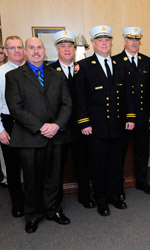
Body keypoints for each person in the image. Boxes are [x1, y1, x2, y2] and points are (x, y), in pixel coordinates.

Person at [5, 37, 72, 233]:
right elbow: (15, 108)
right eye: (31, 48)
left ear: (45, 50)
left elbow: (67, 104)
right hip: (29, 137)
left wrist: (57, 125)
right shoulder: (14, 76)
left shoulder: (57, 75)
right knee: (32, 179)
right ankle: (33, 215)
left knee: (54, 177)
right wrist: (42, 126)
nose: (36, 51)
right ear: (26, 51)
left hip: (56, 136)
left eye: (39, 47)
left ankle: (53, 210)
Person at [74, 25, 135, 216]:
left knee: (116, 164)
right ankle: (101, 200)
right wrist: (84, 122)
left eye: (107, 40)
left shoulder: (121, 65)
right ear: (93, 44)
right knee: (99, 166)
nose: (104, 44)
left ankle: (114, 196)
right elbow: (80, 98)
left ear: (111, 43)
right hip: (96, 128)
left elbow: (128, 94)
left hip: (118, 126)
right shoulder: (83, 66)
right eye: (100, 41)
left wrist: (130, 117)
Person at [49, 30, 95, 208]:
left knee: (83, 163)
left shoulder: (83, 68)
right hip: (59, 128)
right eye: (63, 46)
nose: (67, 49)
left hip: (80, 126)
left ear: (74, 49)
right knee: (57, 167)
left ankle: (84, 196)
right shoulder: (50, 70)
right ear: (57, 49)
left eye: (70, 46)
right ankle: (56, 201)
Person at [113, 27, 150, 195]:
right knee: (119, 154)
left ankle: (142, 181)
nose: (134, 42)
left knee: (142, 151)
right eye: (131, 39)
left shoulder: (147, 61)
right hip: (122, 117)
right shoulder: (115, 60)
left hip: (143, 116)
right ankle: (118, 186)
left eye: (137, 39)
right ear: (124, 41)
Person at [0, 36, 25, 217]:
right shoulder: (0, 73)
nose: (16, 51)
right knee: (13, 166)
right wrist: (0, 129)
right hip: (9, 123)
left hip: (32, 123)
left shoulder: (33, 69)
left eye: (19, 47)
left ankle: (34, 200)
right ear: (6, 52)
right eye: (12, 48)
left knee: (33, 165)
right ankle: (17, 202)